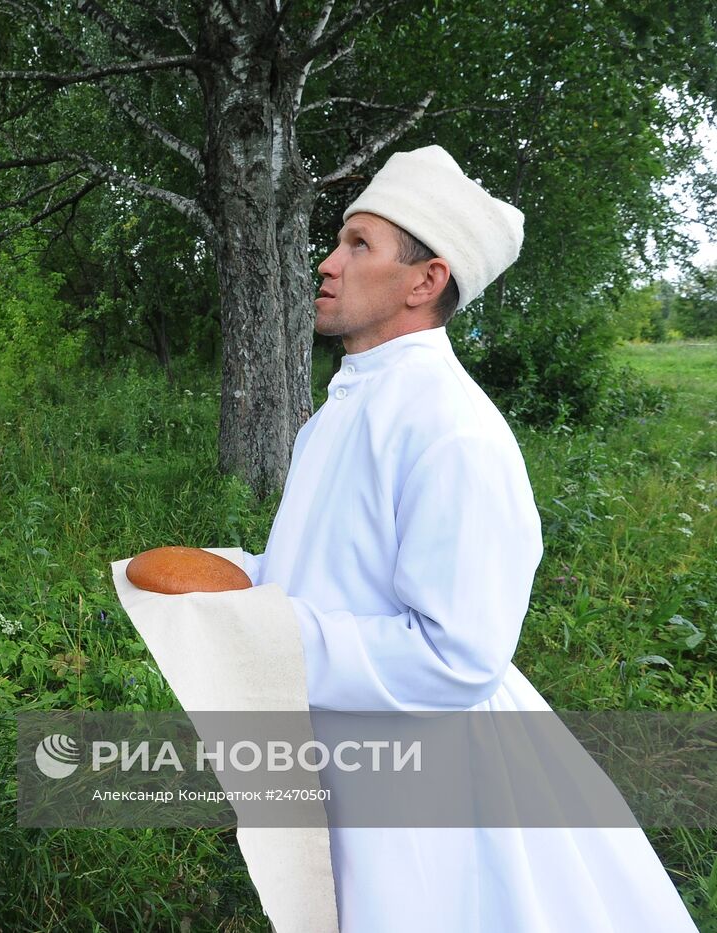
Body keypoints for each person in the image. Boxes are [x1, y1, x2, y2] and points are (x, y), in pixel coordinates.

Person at [232, 145, 698, 931]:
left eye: (358, 244)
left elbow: (458, 656)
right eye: (339, 240)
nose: (327, 261)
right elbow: (323, 574)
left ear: (426, 280)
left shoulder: (454, 430)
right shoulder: (339, 412)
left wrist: (267, 636)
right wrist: (230, 578)